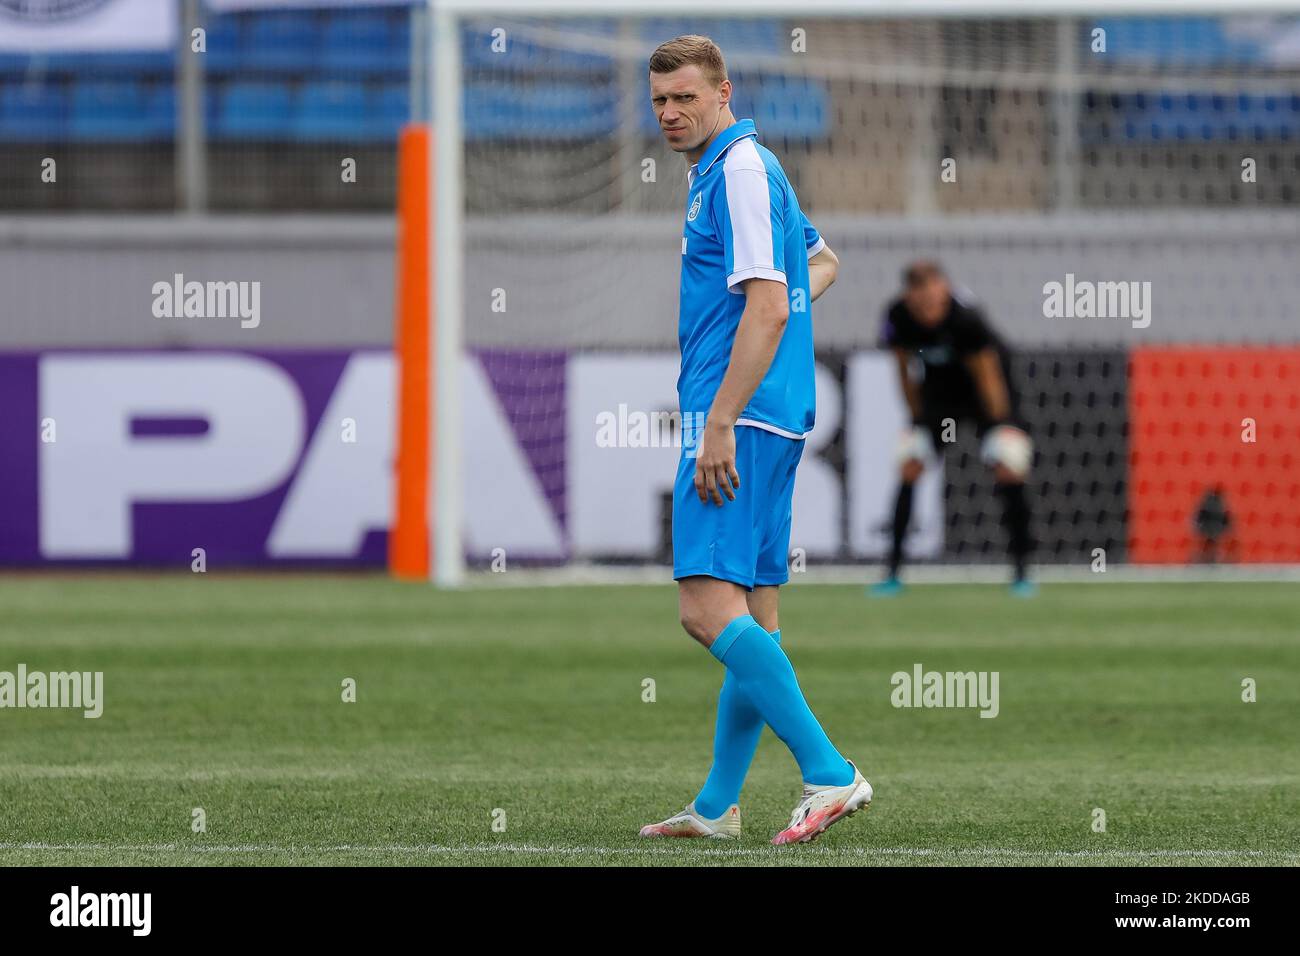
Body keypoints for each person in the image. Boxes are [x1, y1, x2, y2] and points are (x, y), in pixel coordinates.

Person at [637, 35, 871, 845]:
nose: (670, 113)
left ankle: (833, 773)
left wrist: (723, 418)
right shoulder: (743, 167)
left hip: (739, 416)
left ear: (723, 91)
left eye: (686, 98)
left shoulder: (736, 170)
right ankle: (716, 807)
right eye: (660, 99)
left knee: (704, 609)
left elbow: (773, 305)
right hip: (779, 412)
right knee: (753, 620)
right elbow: (821, 264)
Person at [873, 260, 1036, 597]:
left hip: (982, 394)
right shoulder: (897, 317)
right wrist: (916, 421)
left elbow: (988, 377)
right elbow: (904, 371)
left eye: (934, 300)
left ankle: (1022, 571)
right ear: (910, 298)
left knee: (1009, 465)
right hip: (939, 397)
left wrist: (999, 427)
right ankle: (892, 573)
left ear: (944, 290)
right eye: (921, 303)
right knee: (910, 464)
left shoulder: (966, 319)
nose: (929, 309)